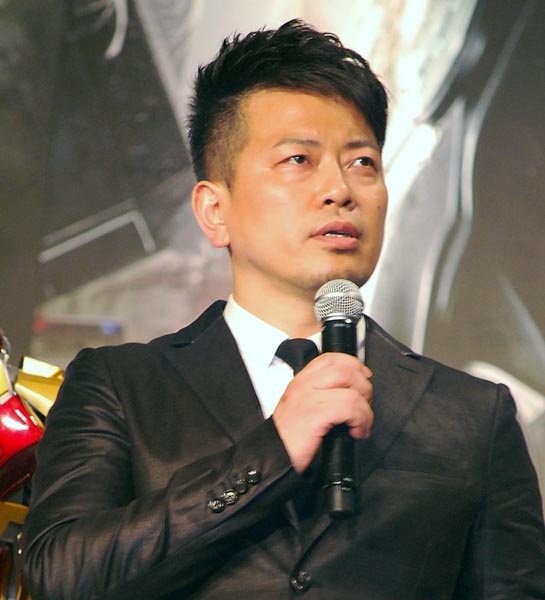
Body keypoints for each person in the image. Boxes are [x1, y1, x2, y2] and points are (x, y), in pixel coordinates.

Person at [21, 19, 545, 599]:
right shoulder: (119, 386)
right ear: (214, 211)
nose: (340, 190)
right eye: (299, 159)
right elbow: (58, 577)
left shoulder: (474, 415)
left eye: (363, 163)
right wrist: (273, 452)